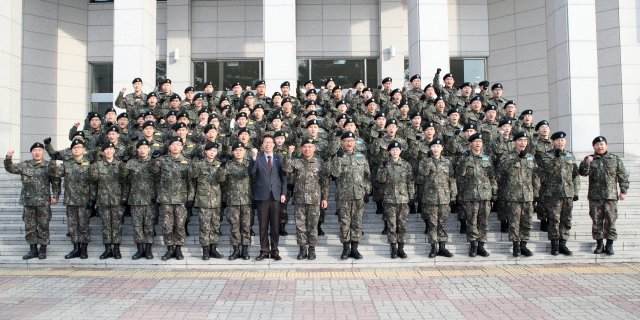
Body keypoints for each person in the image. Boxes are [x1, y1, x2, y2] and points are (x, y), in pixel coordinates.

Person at [4, 143, 61, 260]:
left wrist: (55, 196)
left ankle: (43, 249)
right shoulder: (25, 165)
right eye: (34, 150)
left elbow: (55, 182)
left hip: (43, 202)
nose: (37, 152)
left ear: (43, 152)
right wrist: (8, 158)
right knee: (30, 226)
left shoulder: (48, 166)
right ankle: (33, 249)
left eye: (39, 150)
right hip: (28, 201)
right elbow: (10, 168)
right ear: (32, 152)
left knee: (44, 226)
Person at [579, 136, 630, 255]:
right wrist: (587, 163)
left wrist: (623, 191)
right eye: (597, 144)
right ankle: (599, 244)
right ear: (594, 147)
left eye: (602, 144)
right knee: (596, 221)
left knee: (610, 221)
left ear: (606, 145)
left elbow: (623, 175)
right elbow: (582, 173)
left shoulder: (614, 159)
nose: (599, 146)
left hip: (610, 196)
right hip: (595, 197)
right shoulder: (590, 159)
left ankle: (610, 244)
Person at [282, 140, 329, 260]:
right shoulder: (297, 161)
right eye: (304, 147)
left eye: (309, 147)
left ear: (314, 148)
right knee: (300, 226)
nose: (307, 149)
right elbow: (287, 169)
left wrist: (324, 198)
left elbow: (324, 182)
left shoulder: (319, 163)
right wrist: (289, 154)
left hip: (314, 200)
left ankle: (312, 249)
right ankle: (302, 249)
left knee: (313, 226)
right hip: (299, 200)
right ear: (301, 149)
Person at [150, 135, 195, 261]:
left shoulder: (187, 162)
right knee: (167, 225)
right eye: (173, 144)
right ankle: (170, 248)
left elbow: (190, 182)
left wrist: (190, 198)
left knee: (180, 225)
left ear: (182, 147)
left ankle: (178, 249)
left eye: (178, 145)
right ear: (169, 147)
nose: (175, 147)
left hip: (181, 199)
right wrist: (153, 159)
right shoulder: (162, 160)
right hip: (166, 199)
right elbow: (154, 173)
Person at [49, 139, 95, 259]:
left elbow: (94, 182)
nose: (76, 149)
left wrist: (93, 198)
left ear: (83, 150)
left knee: (84, 225)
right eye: (74, 148)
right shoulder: (67, 163)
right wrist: (53, 161)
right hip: (71, 200)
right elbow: (55, 173)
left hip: (85, 200)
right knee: (72, 226)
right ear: (71, 150)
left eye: (79, 147)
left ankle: (84, 249)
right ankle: (76, 248)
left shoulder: (89, 163)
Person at [331, 131, 371, 260]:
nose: (349, 143)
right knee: (344, 222)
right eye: (346, 140)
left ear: (355, 142)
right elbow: (335, 174)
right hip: (344, 196)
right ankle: (345, 248)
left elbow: (367, 176)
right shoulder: (338, 157)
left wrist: (367, 190)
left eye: (351, 140)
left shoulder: (361, 157)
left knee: (357, 222)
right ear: (342, 142)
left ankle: (355, 248)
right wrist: (338, 159)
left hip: (358, 195)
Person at [457, 133, 497, 257]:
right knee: (471, 221)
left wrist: (494, 191)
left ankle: (481, 245)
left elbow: (492, 177)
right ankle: (473, 245)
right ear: (470, 144)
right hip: (470, 195)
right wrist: (465, 160)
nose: (478, 143)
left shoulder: (487, 158)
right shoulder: (464, 158)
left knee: (484, 221)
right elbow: (459, 175)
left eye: (480, 141)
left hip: (485, 195)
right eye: (475, 141)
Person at [540, 131, 580, 256]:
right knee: (554, 219)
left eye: (562, 140)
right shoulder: (547, 155)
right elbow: (548, 169)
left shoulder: (570, 156)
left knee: (566, 219)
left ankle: (563, 243)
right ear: (553, 142)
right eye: (557, 140)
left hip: (567, 193)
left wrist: (576, 191)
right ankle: (554, 244)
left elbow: (575, 175)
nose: (560, 142)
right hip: (553, 194)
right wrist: (556, 158)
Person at [499, 132, 539, 257]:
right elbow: (503, 170)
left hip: (527, 195)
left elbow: (535, 176)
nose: (522, 143)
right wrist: (517, 158)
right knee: (514, 222)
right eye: (520, 140)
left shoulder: (531, 157)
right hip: (513, 195)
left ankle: (524, 245)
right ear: (514, 142)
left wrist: (536, 192)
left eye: (525, 140)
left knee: (527, 221)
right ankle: (516, 245)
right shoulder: (507, 156)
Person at [249, 135, 288, 261]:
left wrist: (283, 193)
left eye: (270, 142)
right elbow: (251, 172)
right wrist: (254, 158)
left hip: (276, 196)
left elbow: (283, 178)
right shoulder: (258, 158)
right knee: (263, 225)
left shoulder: (279, 158)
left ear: (274, 144)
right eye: (265, 142)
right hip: (262, 196)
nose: (268, 144)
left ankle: (275, 250)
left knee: (275, 225)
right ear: (262, 145)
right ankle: (264, 250)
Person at [418, 139, 457, 258]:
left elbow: (451, 178)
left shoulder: (447, 162)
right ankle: (434, 247)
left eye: (438, 146)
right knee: (432, 224)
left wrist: (453, 194)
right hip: (430, 198)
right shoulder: (425, 161)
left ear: (442, 148)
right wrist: (428, 163)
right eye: (433, 146)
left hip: (444, 197)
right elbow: (421, 177)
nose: (436, 148)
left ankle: (443, 247)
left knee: (443, 223)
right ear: (430, 148)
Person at [88, 142, 126, 260]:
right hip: (103, 200)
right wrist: (93, 198)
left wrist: (124, 197)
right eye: (106, 149)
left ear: (114, 151)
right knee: (105, 225)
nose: (109, 151)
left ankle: (116, 248)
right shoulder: (98, 165)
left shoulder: (120, 164)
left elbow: (125, 182)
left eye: (111, 149)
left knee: (116, 225)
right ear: (103, 152)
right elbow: (93, 181)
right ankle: (107, 248)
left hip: (117, 200)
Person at [377, 141, 414, 259]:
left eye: (397, 149)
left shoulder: (406, 165)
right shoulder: (385, 164)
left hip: (403, 200)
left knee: (402, 225)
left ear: (400, 151)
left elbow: (410, 182)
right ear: (389, 151)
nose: (395, 151)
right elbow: (380, 180)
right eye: (392, 149)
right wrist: (382, 168)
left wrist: (411, 196)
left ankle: (401, 249)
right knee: (391, 225)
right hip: (389, 200)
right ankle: (393, 249)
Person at [120, 139, 156, 259]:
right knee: (137, 226)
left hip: (150, 199)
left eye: (145, 148)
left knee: (149, 226)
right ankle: (140, 249)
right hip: (135, 199)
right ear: (137, 150)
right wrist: (123, 164)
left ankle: (148, 249)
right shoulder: (131, 163)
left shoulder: (154, 162)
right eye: (140, 148)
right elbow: (124, 178)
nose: (142, 150)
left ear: (149, 149)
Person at [190, 142, 226, 260]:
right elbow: (192, 176)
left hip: (216, 200)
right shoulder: (199, 164)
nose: (212, 153)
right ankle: (205, 250)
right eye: (209, 150)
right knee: (205, 226)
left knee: (215, 225)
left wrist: (222, 168)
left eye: (214, 151)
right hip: (203, 200)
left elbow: (222, 180)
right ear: (205, 152)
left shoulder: (220, 164)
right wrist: (194, 163)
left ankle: (213, 249)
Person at [224, 142, 253, 260]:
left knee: (246, 226)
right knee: (234, 226)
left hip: (247, 200)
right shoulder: (228, 165)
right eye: (236, 150)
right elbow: (222, 180)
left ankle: (245, 250)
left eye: (241, 150)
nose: (238, 152)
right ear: (232, 152)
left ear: (245, 151)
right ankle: (236, 250)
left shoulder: (250, 164)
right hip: (233, 200)